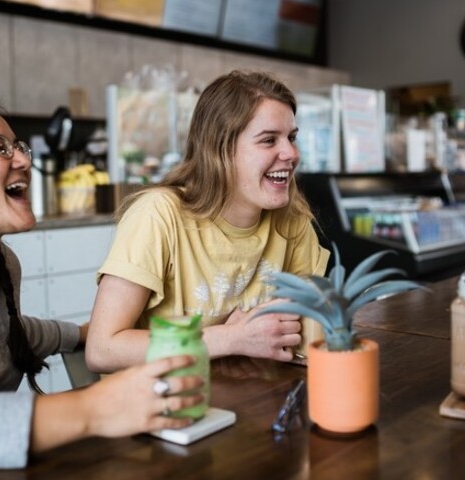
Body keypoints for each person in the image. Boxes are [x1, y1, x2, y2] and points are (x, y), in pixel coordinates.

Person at [0, 100, 204, 476]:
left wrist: (88, 334)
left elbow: (8, 333)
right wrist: (94, 408)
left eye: (18, 147)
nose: (23, 160)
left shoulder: (4, 263)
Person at [86, 70, 330, 373]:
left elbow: (304, 328)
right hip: (163, 402)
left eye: (292, 138)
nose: (291, 153)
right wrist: (230, 338)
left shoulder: (291, 218)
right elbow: (102, 349)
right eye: (269, 140)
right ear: (220, 149)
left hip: (250, 395)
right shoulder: (158, 215)